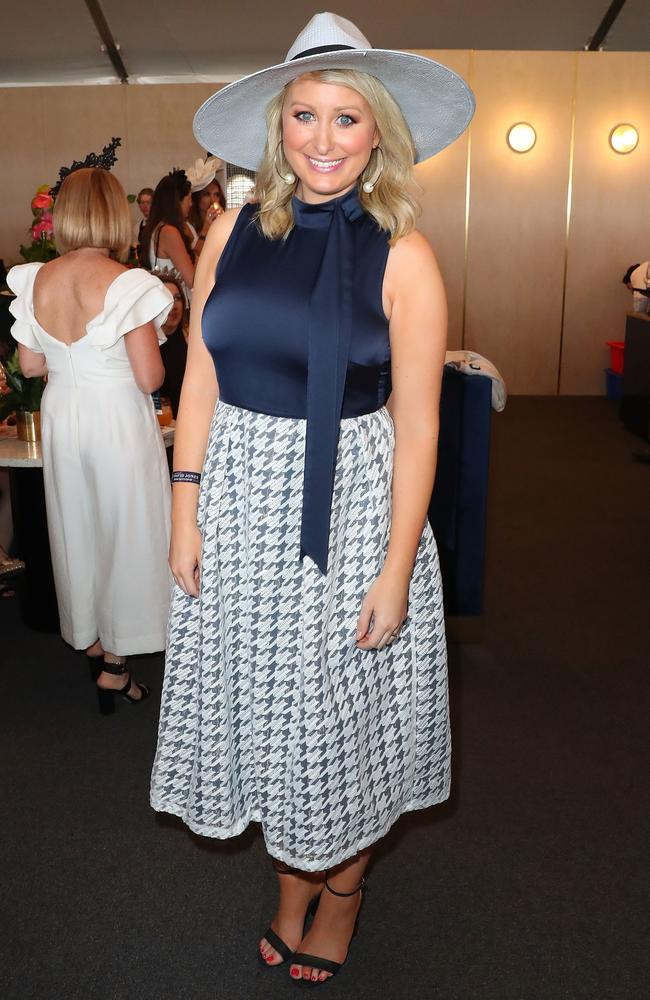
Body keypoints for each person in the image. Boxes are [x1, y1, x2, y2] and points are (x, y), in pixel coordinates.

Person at [150, 11, 474, 986]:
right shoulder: (229, 231)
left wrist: (392, 569)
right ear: (277, 126)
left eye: (344, 119)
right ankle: (293, 872)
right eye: (303, 116)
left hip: (351, 510)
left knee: (336, 717)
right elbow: (199, 376)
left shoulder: (405, 255)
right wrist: (183, 505)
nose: (321, 140)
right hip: (239, 502)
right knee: (264, 708)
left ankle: (339, 888)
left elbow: (419, 426)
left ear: (377, 131)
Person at [7, 167, 174, 714]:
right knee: (129, 532)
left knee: (76, 529)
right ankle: (118, 661)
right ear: (114, 215)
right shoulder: (127, 282)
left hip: (64, 418)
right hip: (116, 419)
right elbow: (150, 378)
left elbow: (30, 363)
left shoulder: (37, 279)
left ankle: (96, 641)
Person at [139, 170, 195, 292]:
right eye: (189, 199)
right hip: (174, 302)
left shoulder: (158, 227)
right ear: (177, 202)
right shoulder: (168, 232)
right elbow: (192, 281)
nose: (191, 204)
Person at [150, 268, 188, 418]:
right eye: (167, 299)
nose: (174, 305)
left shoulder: (191, 337)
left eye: (177, 298)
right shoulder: (147, 345)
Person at [187, 158, 227, 260]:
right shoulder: (188, 225)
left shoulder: (222, 220)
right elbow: (195, 256)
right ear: (197, 198)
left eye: (216, 195)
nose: (213, 200)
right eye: (207, 194)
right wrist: (206, 227)